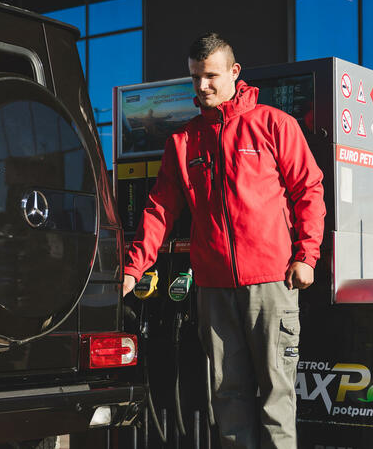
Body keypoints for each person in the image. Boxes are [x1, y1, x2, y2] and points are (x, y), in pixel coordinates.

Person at [123, 33, 325, 449]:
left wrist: (307, 254)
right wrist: (132, 267)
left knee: (276, 397)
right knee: (226, 398)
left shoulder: (274, 124)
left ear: (234, 72)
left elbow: (310, 190)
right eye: (195, 77)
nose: (202, 87)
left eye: (211, 76)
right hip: (213, 289)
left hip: (272, 282)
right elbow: (159, 210)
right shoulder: (182, 143)